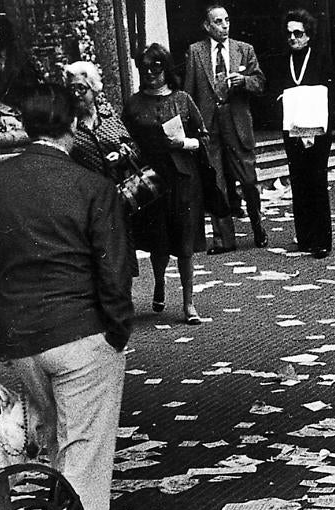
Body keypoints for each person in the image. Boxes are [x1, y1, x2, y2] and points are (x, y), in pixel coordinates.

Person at [0, 83, 132, 510]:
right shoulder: (92, 186)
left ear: (25, 124)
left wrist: (1, 338)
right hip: (83, 332)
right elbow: (114, 269)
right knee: (86, 454)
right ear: (74, 125)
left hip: (22, 337)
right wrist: (115, 331)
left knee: (59, 441)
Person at [124, 43, 213, 325]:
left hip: (184, 180)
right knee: (158, 241)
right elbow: (123, 138)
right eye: (145, 68)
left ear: (166, 68)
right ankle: (160, 282)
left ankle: (189, 303)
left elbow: (205, 138)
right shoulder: (134, 104)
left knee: (185, 242)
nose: (151, 73)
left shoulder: (183, 99)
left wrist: (185, 142)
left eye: (157, 67)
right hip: (151, 182)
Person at [184, 3, 267, 252]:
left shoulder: (244, 49)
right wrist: (192, 128)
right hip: (210, 125)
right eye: (218, 22)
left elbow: (260, 82)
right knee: (216, 182)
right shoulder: (195, 52)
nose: (224, 26)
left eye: (227, 20)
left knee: (248, 179)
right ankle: (224, 240)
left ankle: (257, 225)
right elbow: (189, 92)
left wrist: (244, 81)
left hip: (237, 122)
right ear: (207, 26)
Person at [64, 61, 139, 277]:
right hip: (84, 199)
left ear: (94, 88)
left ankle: (121, 299)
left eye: (82, 88)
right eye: (72, 89)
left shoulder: (107, 115)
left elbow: (131, 146)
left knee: (120, 252)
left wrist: (125, 153)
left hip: (116, 197)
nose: (77, 94)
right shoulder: (67, 122)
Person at [278, 9, 335, 259]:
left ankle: (321, 240)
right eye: (289, 33)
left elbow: (334, 89)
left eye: (298, 33)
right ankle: (304, 236)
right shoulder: (283, 60)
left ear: (308, 36)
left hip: (318, 130)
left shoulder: (321, 58)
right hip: (293, 130)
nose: (293, 38)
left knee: (316, 181)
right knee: (298, 181)